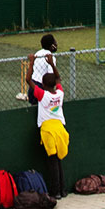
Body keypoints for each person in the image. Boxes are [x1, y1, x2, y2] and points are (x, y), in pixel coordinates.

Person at [36, 71, 69, 199]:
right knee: (58, 160)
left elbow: (28, 80)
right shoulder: (60, 93)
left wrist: (32, 63)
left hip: (48, 130)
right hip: (60, 128)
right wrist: (52, 64)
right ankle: (62, 190)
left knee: (52, 161)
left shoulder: (42, 95)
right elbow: (59, 78)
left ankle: (55, 192)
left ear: (43, 84)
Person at [21, 34, 58, 103]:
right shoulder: (51, 57)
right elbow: (51, 75)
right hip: (42, 87)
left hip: (33, 85)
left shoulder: (38, 53)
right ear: (51, 45)